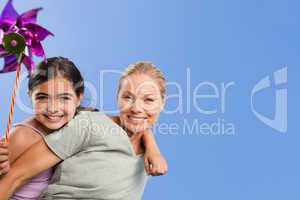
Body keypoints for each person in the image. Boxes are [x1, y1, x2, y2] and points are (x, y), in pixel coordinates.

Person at [0, 58, 168, 199]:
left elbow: (136, 127)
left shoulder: (147, 157)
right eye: (127, 97)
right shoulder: (86, 125)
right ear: (117, 97)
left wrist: (153, 148)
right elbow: (14, 178)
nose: (137, 108)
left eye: (149, 100)